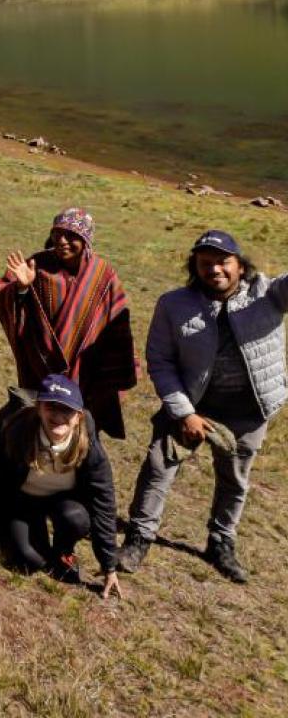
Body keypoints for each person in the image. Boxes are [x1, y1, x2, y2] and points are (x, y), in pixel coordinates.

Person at [117, 230, 287, 584]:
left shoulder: (269, 294)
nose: (215, 270)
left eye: (223, 262)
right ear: (194, 267)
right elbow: (160, 361)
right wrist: (184, 412)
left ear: (240, 266)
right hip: (193, 405)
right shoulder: (173, 304)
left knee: (234, 479)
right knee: (158, 467)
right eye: (205, 263)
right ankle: (139, 537)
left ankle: (221, 542)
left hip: (248, 412)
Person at [0, 374, 122, 598]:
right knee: (29, 562)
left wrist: (109, 565)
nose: (58, 416)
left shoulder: (88, 445)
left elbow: (104, 501)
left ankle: (64, 551)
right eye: (51, 407)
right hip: (21, 500)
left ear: (78, 416)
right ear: (39, 407)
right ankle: (3, 527)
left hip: (62, 501)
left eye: (67, 410)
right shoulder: (18, 430)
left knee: (76, 518)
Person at [0, 208, 136, 439]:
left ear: (86, 240)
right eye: (57, 234)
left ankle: (70, 471)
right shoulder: (38, 265)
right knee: (30, 427)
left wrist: (113, 370)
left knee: (78, 434)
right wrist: (22, 288)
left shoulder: (102, 276)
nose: (63, 241)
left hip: (85, 373)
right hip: (38, 368)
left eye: (71, 236)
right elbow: (4, 298)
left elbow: (117, 326)